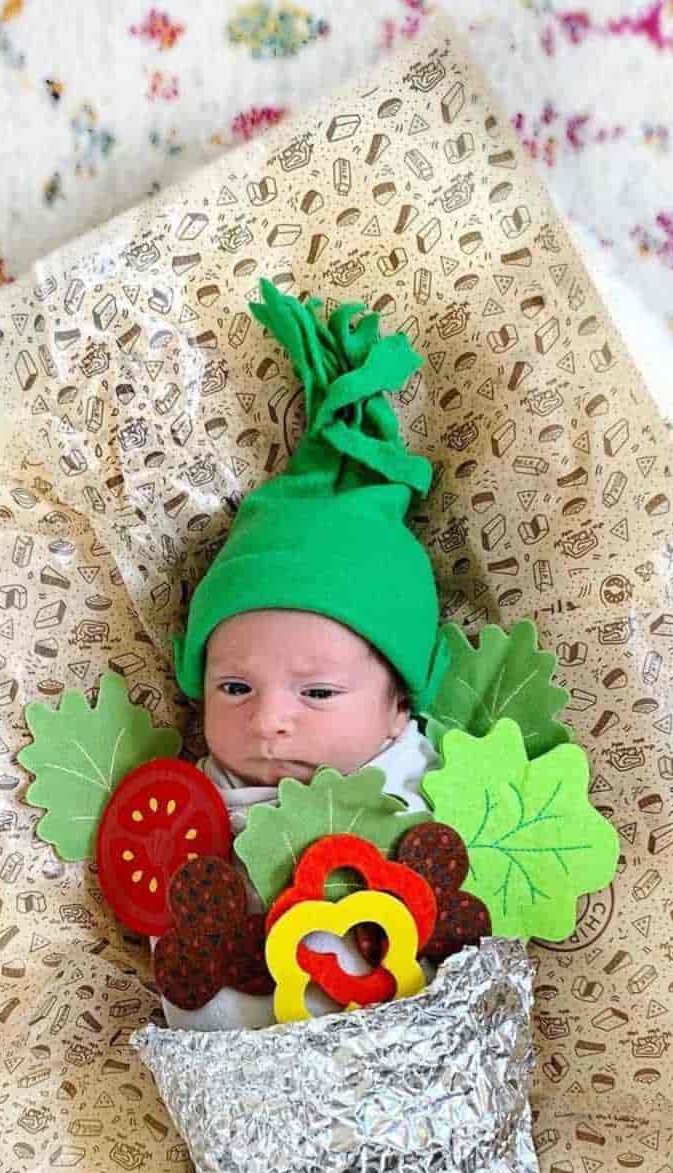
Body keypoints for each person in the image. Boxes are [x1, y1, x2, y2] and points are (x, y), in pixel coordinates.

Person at [155, 277, 449, 1030]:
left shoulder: (423, 802)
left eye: (316, 693)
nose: (269, 723)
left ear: (398, 708)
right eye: (233, 688)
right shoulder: (191, 809)